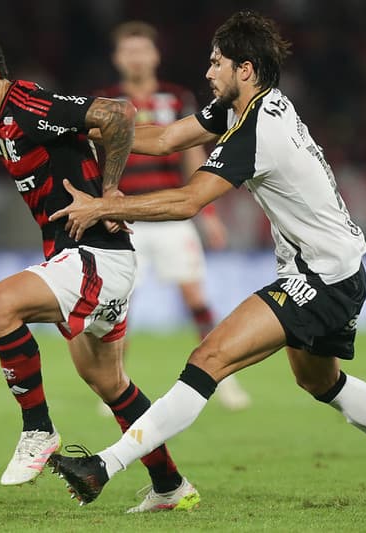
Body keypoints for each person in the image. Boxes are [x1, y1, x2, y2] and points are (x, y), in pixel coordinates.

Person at [47, 11, 366, 506]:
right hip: (337, 270)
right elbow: (163, 139)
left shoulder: (256, 129)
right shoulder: (247, 108)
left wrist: (104, 206)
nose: (208, 72)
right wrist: (79, 128)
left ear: (244, 69)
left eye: (216, 63)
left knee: (208, 359)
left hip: (319, 278)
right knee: (319, 380)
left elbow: (189, 201)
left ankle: (102, 467)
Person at [0, 28, 200, 513]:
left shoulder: (25, 102)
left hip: (96, 256)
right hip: (92, 258)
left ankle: (38, 430)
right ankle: (171, 486)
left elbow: (119, 113)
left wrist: (110, 194)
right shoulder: (1, 121)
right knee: (110, 383)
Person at [94, 20, 250, 411]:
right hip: (126, 218)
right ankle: (114, 385)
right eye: (128, 51)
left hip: (172, 215)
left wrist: (207, 213)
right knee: (119, 304)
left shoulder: (177, 97)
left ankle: (224, 379)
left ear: (155, 55)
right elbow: (96, 157)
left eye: (142, 50)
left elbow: (192, 153)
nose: (136, 57)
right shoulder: (106, 101)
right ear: (117, 58)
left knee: (195, 297)